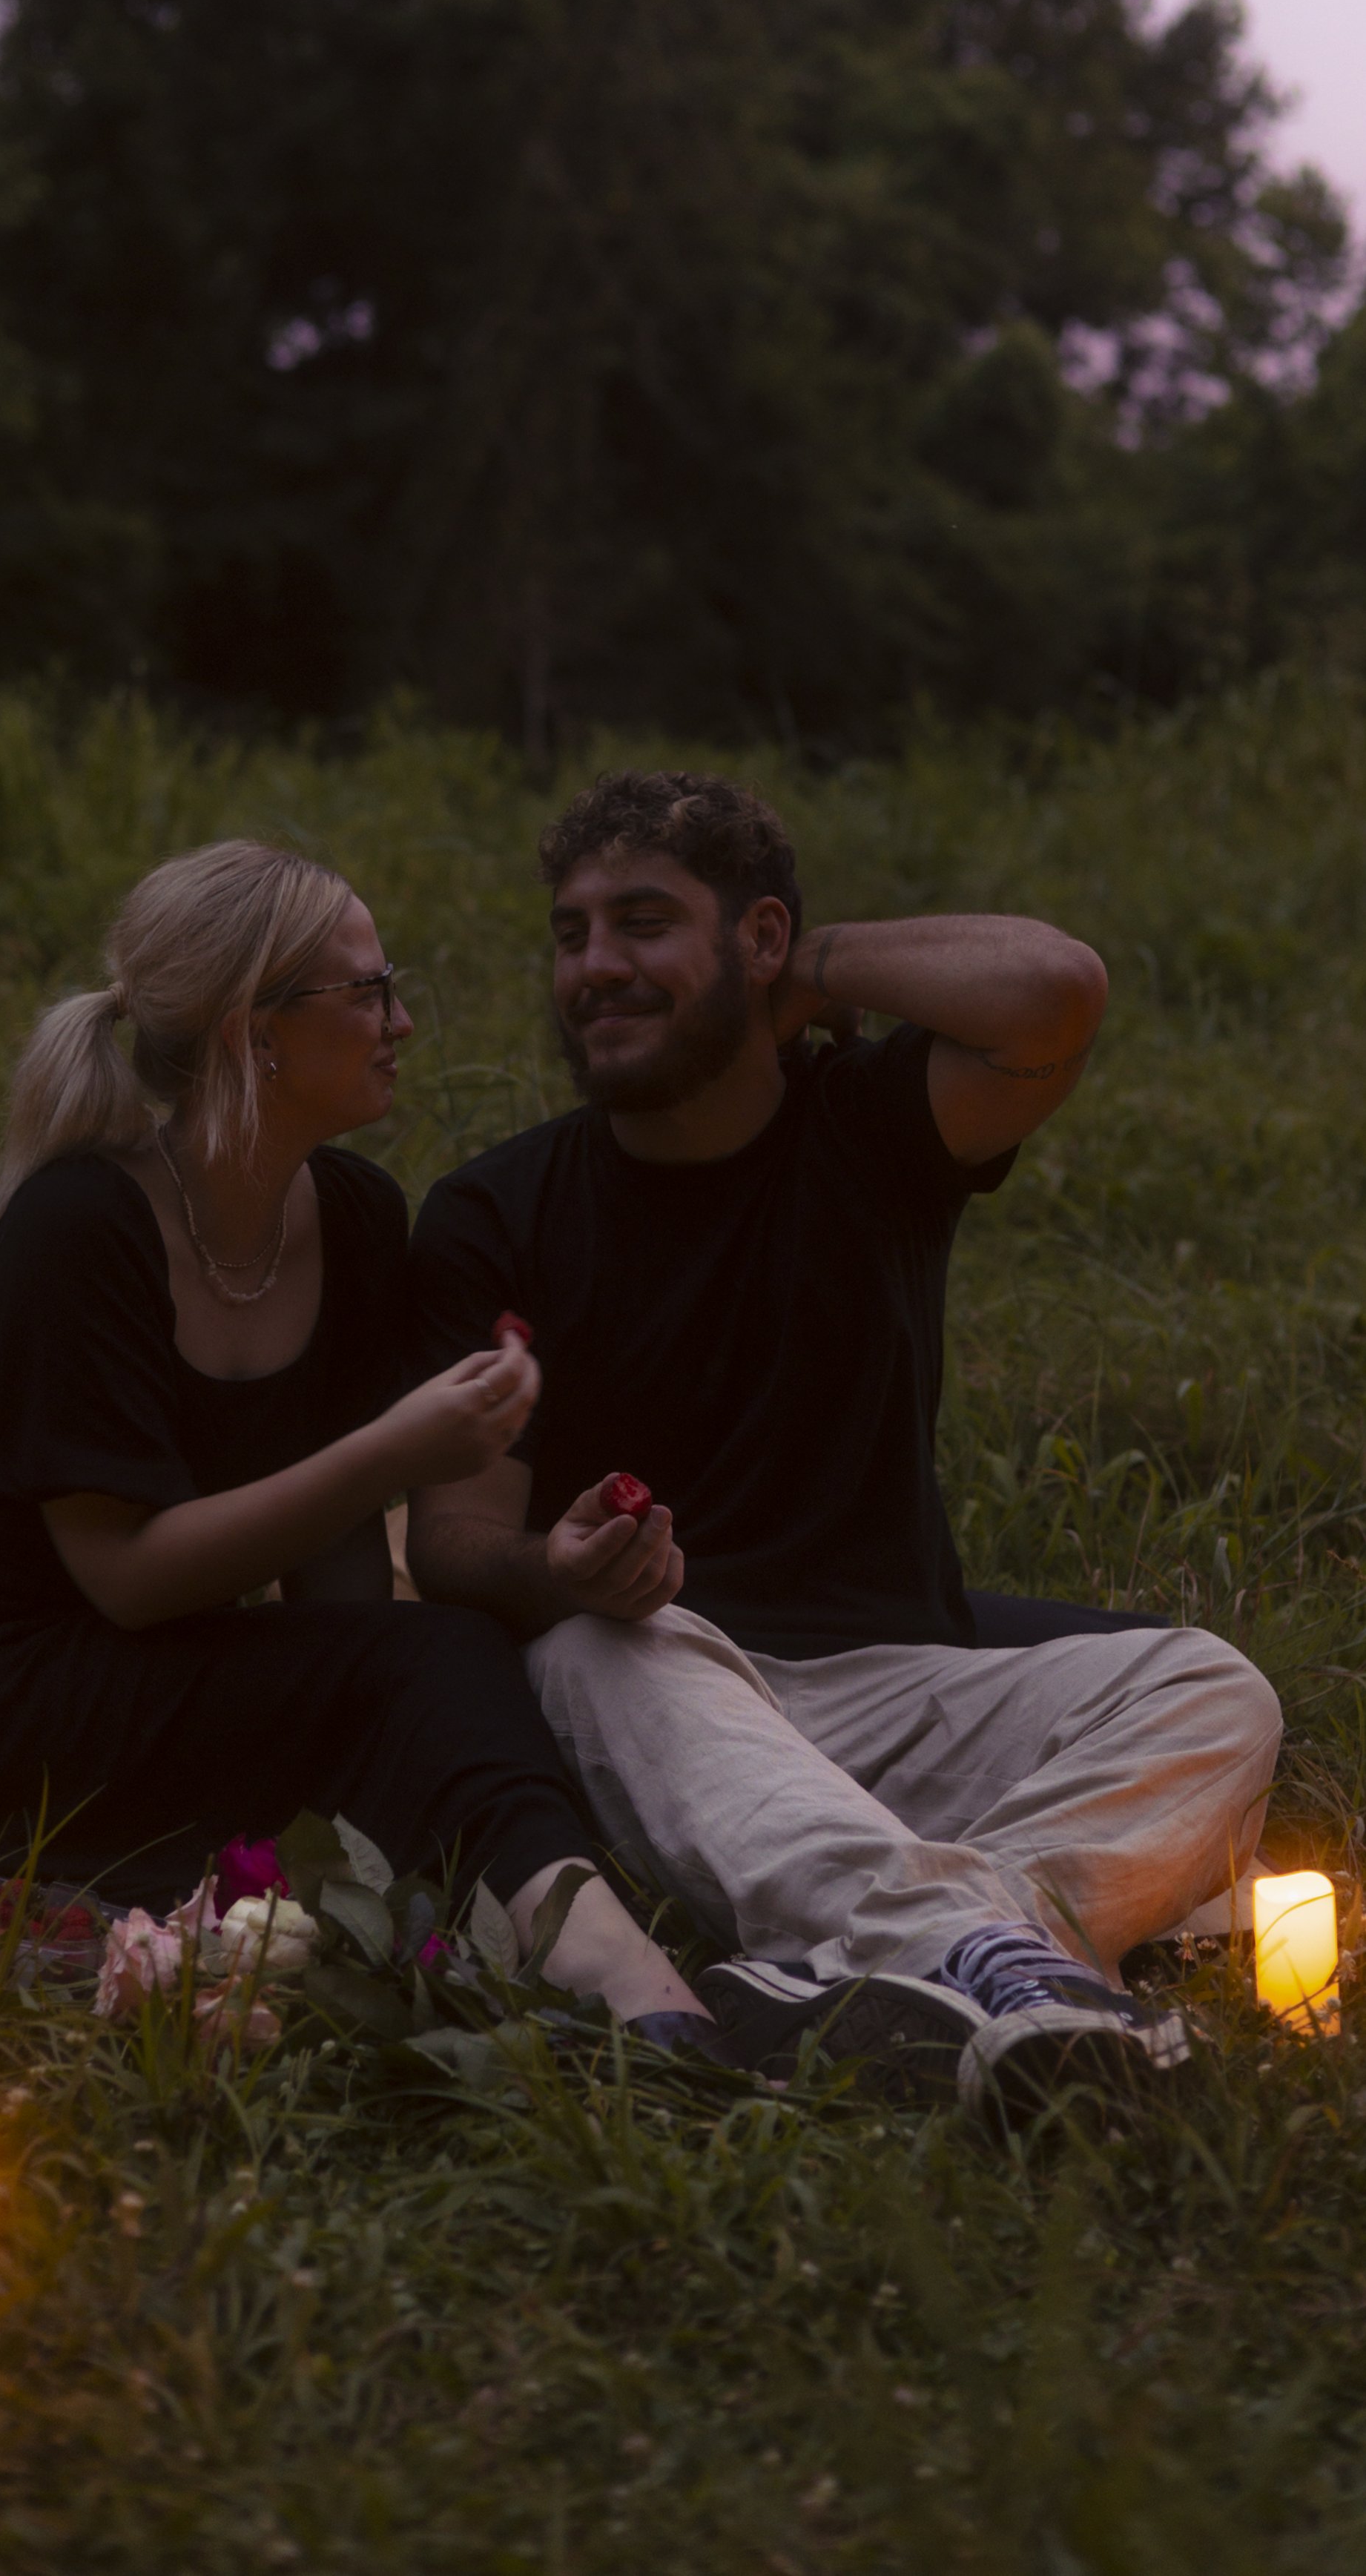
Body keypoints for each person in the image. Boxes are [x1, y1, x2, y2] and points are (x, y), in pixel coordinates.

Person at [406, 771, 1283, 2118]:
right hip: (669, 1680)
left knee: (1218, 1691)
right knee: (587, 1654)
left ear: (757, 941)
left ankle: (914, 1955)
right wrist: (565, 1570)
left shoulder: (869, 1129)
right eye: (571, 932)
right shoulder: (495, 1211)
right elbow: (455, 1543)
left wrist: (808, 965)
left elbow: (1054, 990)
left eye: (644, 922)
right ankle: (1009, 1959)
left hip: (899, 1679)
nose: (595, 967)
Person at [0, 838, 731, 2055]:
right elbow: (127, 1578)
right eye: (367, 993)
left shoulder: (355, 1219)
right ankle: (642, 2003)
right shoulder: (80, 1232)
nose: (402, 1019)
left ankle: (609, 1975)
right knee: (425, 1674)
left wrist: (367, 1677)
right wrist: (393, 1453)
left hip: (158, 1682)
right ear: (257, 1030)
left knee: (437, 1665)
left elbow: (338, 1576)